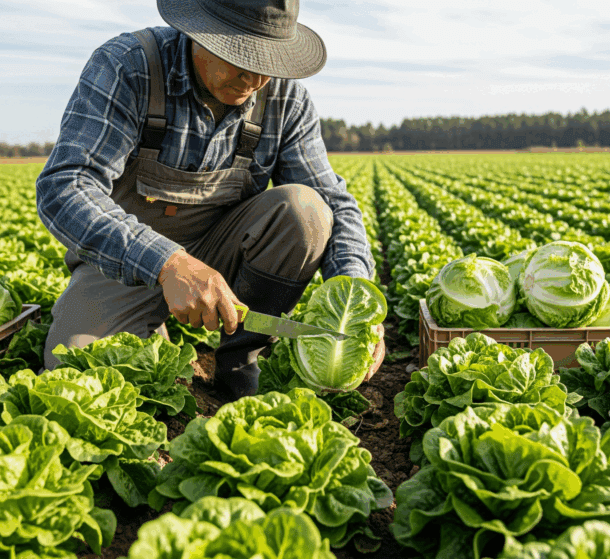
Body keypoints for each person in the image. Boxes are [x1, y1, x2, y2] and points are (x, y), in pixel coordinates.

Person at [35, 0, 383, 398]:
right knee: (77, 371)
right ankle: (149, 324)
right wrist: (168, 264)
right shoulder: (128, 67)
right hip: (126, 262)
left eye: (269, 62)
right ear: (199, 33)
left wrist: (356, 306)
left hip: (224, 249)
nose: (254, 78)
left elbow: (333, 202)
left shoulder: (287, 100)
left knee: (308, 210)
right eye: (241, 56)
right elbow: (66, 186)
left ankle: (240, 358)